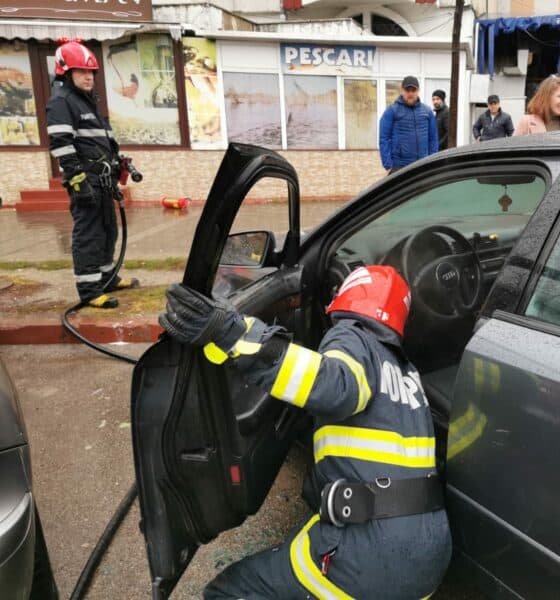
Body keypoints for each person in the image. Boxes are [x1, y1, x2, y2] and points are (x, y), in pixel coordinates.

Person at [159, 265, 452, 600]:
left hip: (371, 556)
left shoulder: (354, 335)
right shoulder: (406, 372)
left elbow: (335, 387)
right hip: (431, 556)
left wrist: (233, 335)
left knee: (230, 590)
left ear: (347, 297)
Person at [46, 39, 139, 309]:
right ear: (65, 72)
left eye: (91, 73)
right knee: (89, 235)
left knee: (109, 231)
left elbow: (102, 141)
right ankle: (89, 289)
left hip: (103, 180)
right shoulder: (62, 102)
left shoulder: (88, 102)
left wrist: (118, 161)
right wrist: (78, 181)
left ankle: (107, 277)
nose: (88, 77)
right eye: (81, 72)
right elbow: (61, 145)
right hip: (86, 182)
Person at [379, 75, 438, 174]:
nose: (410, 93)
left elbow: (433, 139)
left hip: (423, 164)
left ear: (418, 91)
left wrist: (433, 161)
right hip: (400, 166)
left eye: (413, 90)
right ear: (402, 90)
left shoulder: (427, 112)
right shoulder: (392, 111)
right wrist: (388, 165)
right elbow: (384, 138)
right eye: (407, 90)